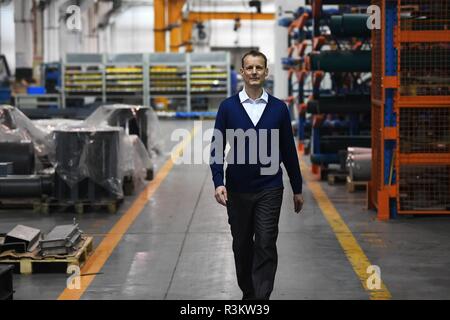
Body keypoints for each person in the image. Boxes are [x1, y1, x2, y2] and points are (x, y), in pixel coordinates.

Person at [210, 50, 304, 300]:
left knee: (265, 241)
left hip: (269, 187)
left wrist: (297, 187)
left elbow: (288, 150)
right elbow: (216, 147)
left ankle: (260, 299)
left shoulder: (279, 109)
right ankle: (249, 292)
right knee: (241, 245)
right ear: (242, 72)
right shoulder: (228, 107)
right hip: (238, 189)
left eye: (258, 68)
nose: (254, 72)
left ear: (266, 72)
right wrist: (218, 182)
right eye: (249, 68)